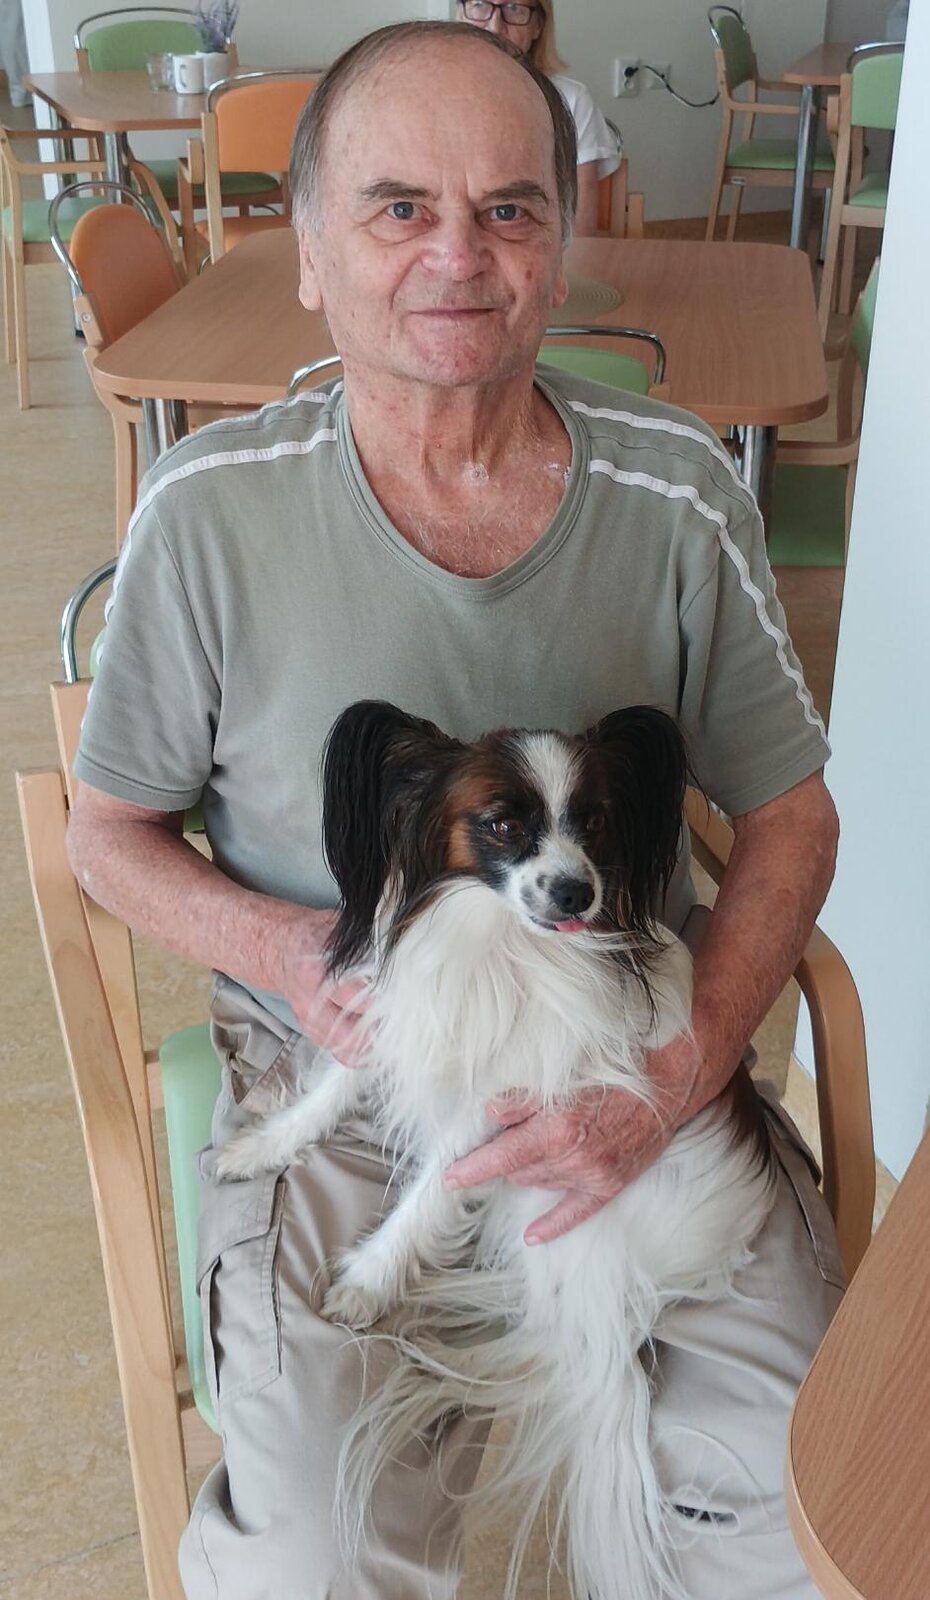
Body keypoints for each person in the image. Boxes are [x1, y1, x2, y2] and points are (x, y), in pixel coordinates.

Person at [67, 20, 843, 1600]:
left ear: (561, 244)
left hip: (623, 1045)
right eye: (397, 207)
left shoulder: (679, 491)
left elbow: (789, 817)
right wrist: (298, 960)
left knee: (817, 1502)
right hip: (350, 1065)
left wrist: (685, 1061)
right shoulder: (208, 517)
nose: (457, 254)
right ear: (305, 250)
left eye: (506, 208)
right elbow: (106, 835)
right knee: (315, 1559)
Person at [456, 0, 620, 233]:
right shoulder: (426, 95)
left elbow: (581, 226)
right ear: (460, 13)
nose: (495, 26)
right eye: (480, 4)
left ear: (538, 26)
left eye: (514, 8)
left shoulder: (571, 100)